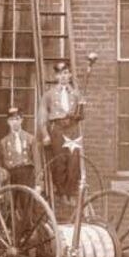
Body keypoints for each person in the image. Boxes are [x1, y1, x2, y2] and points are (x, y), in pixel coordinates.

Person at [39, 61, 86, 205]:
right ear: (56, 76)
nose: (64, 76)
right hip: (57, 128)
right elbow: (42, 116)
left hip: (72, 129)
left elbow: (82, 115)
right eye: (60, 74)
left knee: (73, 160)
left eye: (66, 73)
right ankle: (61, 193)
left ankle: (70, 192)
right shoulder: (49, 94)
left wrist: (81, 110)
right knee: (59, 161)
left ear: (70, 75)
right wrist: (45, 134)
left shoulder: (77, 94)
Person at [0, 106, 41, 189]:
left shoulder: (30, 138)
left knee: (26, 200)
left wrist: (38, 183)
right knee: (12, 201)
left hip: (27, 174)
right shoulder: (4, 142)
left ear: (21, 120)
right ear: (8, 121)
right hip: (11, 175)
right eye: (11, 119)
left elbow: (37, 162)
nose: (14, 122)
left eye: (17, 119)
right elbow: (2, 165)